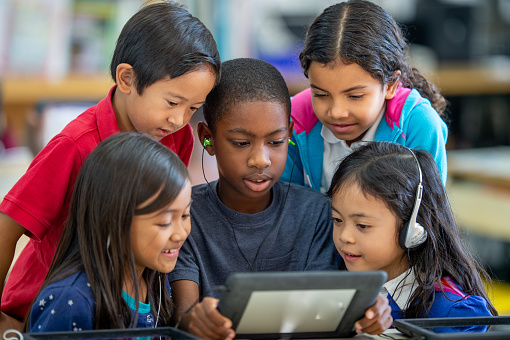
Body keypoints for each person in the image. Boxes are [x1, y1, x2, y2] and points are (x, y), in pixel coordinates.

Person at [0, 1, 220, 332]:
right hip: (51, 308)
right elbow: (7, 227)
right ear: (127, 78)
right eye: (173, 103)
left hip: (125, 304)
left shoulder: (177, 136)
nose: (179, 120)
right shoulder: (74, 145)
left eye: (194, 108)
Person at [168, 58, 392, 340]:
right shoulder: (186, 214)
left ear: (289, 133)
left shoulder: (317, 214)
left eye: (276, 142)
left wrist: (367, 312)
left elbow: (325, 317)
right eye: (240, 143)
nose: (260, 160)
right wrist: (197, 321)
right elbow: (183, 313)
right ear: (207, 139)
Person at [25, 132, 191, 332]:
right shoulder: (71, 301)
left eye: (185, 215)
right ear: (113, 219)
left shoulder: (156, 281)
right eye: (165, 222)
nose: (180, 234)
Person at [326, 141, 497, 333]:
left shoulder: (452, 312)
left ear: (413, 228)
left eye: (362, 225)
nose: (345, 236)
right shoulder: (339, 290)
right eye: (337, 220)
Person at [281, 0, 449, 193]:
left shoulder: (419, 126)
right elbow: (288, 208)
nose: (336, 112)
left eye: (355, 96)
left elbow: (427, 215)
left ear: (391, 85)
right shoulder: (294, 121)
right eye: (320, 94)